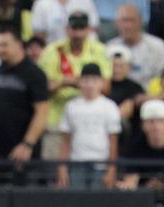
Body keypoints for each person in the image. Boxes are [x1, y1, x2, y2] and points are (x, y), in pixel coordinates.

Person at [0, 25, 49, 184]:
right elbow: (2, 105)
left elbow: (42, 111)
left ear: (19, 45)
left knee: (24, 202)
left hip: (23, 151)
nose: (0, 50)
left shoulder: (35, 74)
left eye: (4, 45)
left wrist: (27, 144)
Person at [38, 11, 111, 162]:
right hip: (55, 121)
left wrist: (65, 82)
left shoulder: (99, 50)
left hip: (90, 122)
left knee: (87, 171)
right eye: (74, 29)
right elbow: (43, 87)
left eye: (82, 29)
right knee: (54, 172)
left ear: (89, 30)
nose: (78, 34)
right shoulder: (52, 51)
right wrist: (80, 82)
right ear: (67, 29)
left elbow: (105, 87)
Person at [56, 62, 121, 188]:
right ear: (79, 82)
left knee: (98, 203)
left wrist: (112, 169)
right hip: (77, 162)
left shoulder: (109, 106)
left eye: (94, 80)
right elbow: (66, 141)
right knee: (77, 201)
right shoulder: (71, 106)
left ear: (101, 82)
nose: (90, 85)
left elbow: (113, 141)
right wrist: (62, 168)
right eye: (85, 80)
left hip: (101, 163)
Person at [106, 3, 164, 88]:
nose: (128, 26)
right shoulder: (109, 47)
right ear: (116, 24)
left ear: (141, 22)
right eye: (124, 21)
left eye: (132, 20)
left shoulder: (158, 46)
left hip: (149, 93)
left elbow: (162, 77)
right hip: (118, 94)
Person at [30, 0, 100, 42]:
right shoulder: (42, 3)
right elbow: (38, 35)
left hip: (82, 51)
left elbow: (93, 28)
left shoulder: (85, 1)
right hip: (53, 51)